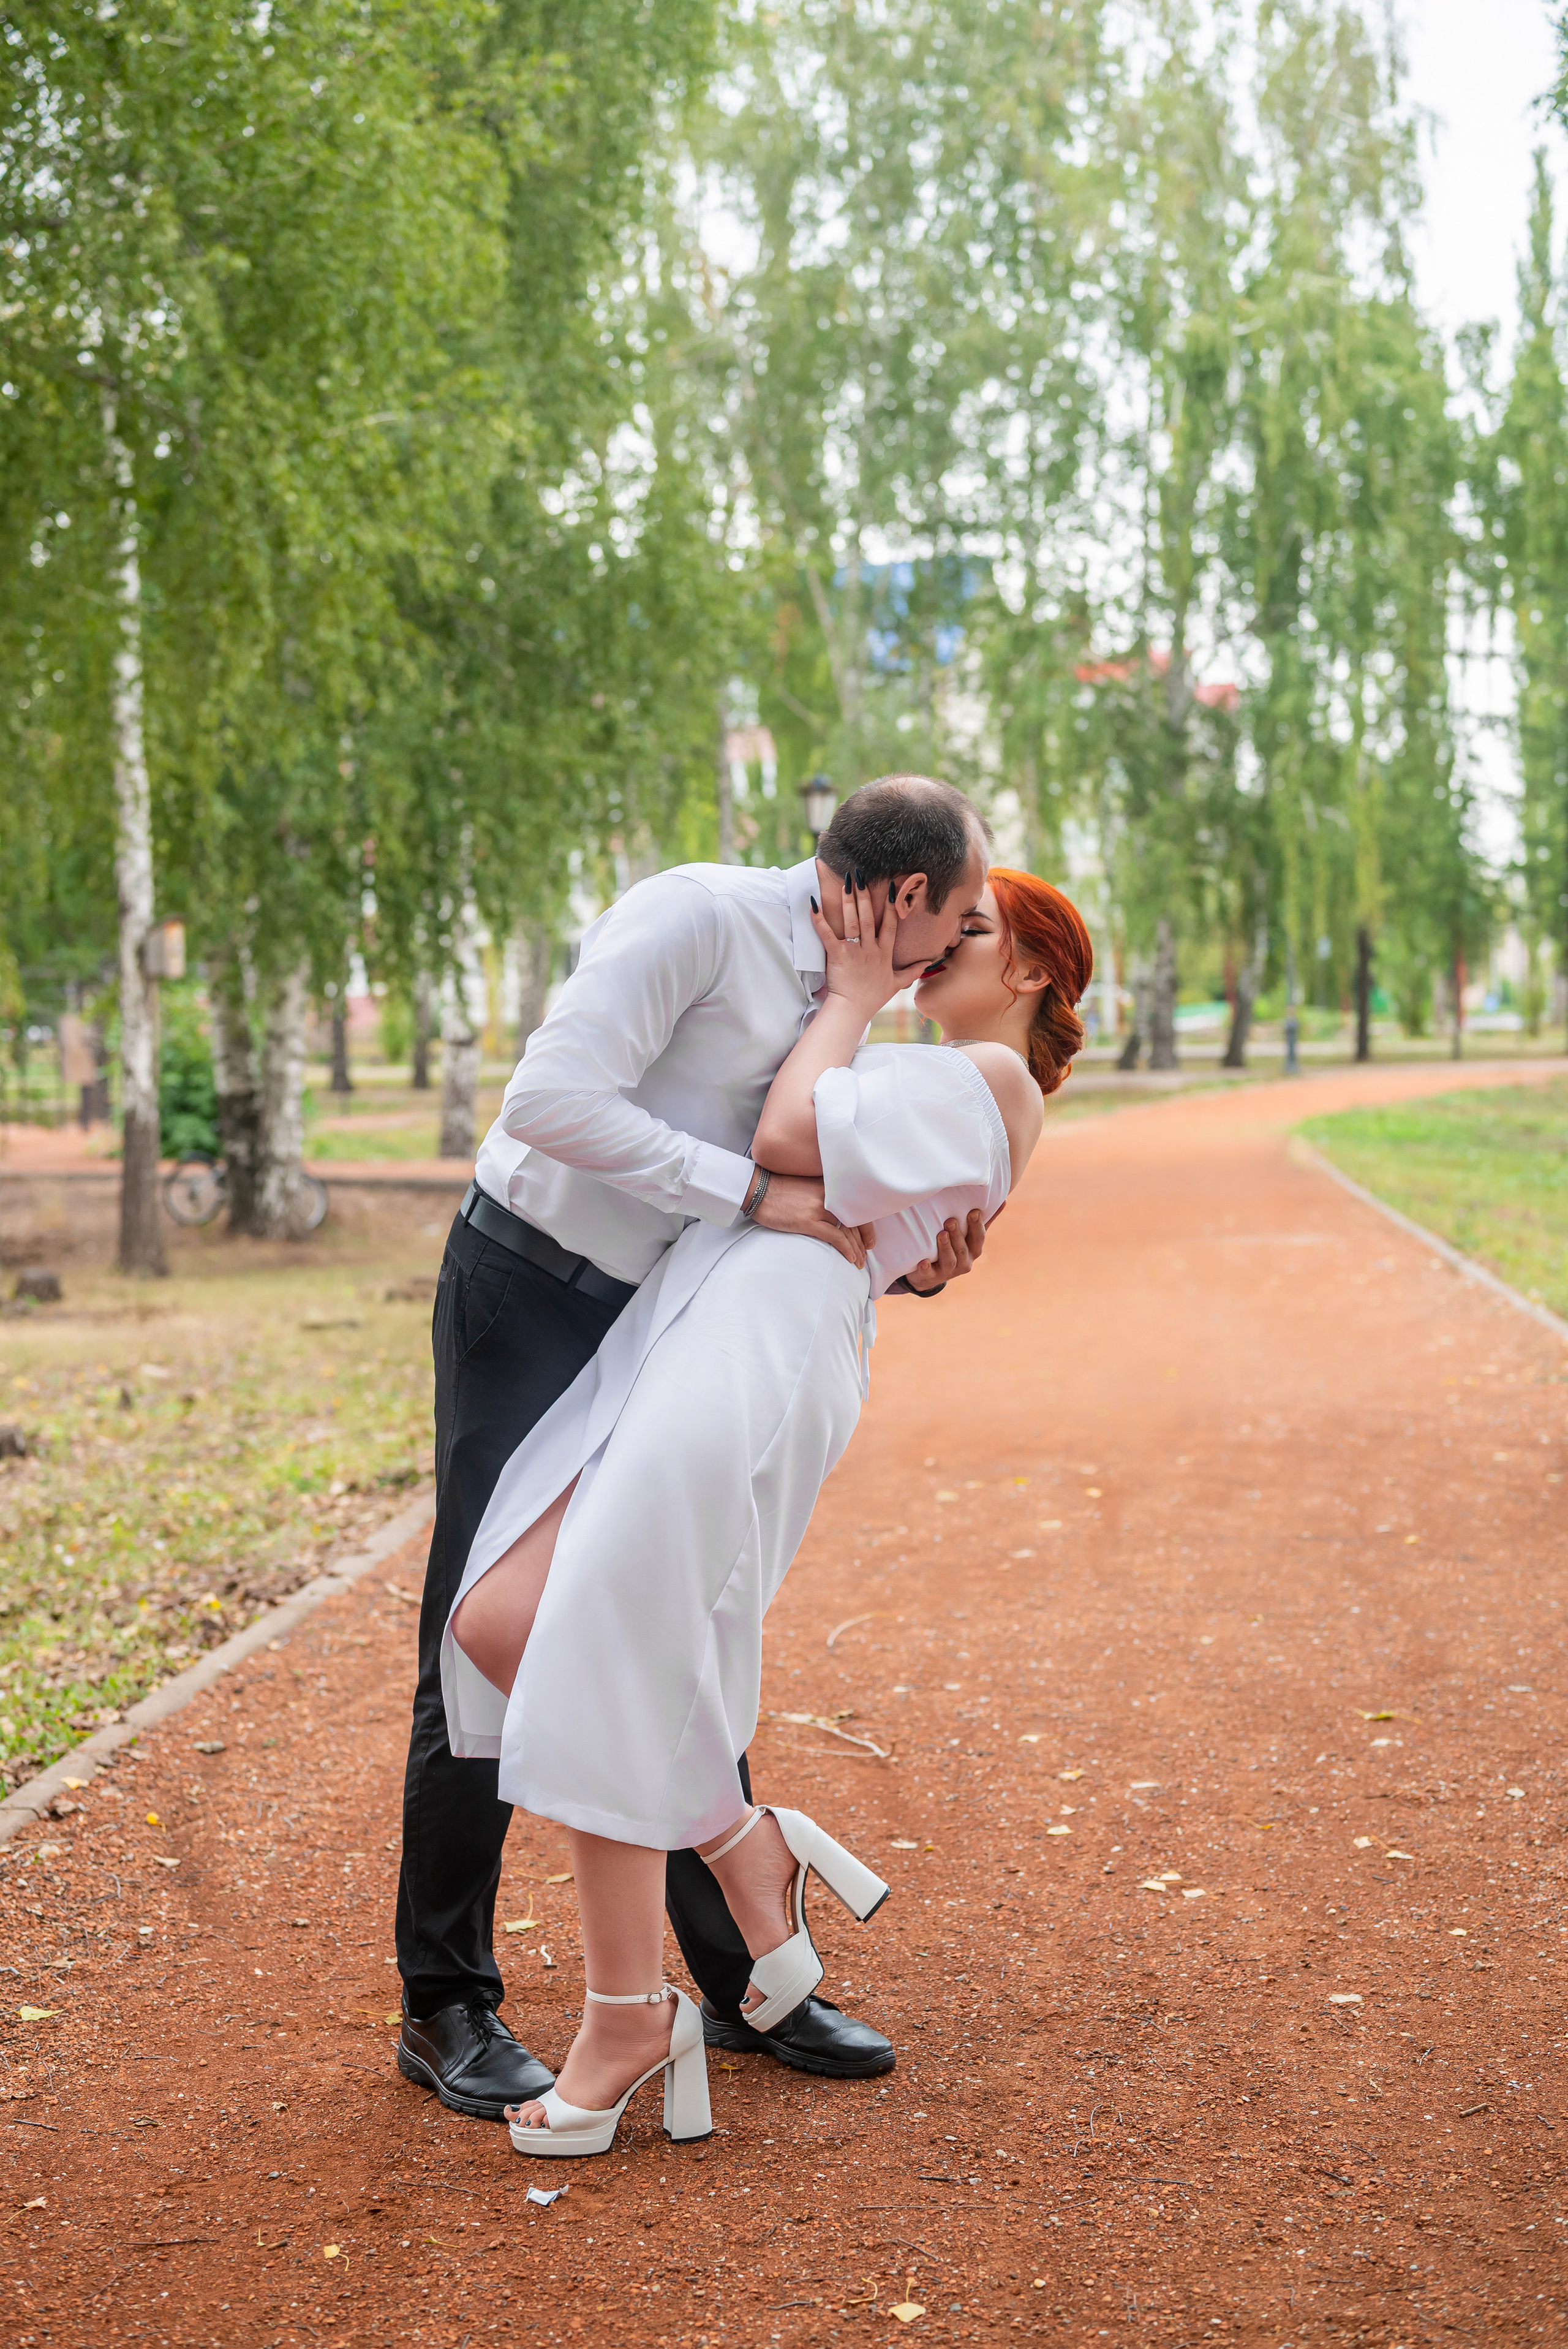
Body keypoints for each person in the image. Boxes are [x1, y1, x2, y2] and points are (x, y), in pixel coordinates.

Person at [442, 866, 1094, 2154]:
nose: (922, 956)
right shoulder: (937, 1076)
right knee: (500, 1616)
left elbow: (791, 1136)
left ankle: (627, 2014)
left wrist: (849, 995)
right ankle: (745, 1846)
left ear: (1026, 971)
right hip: (691, 1313)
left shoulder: (993, 1077)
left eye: (964, 935)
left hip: (762, 1332)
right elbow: (854, 1195)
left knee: (598, 1641)